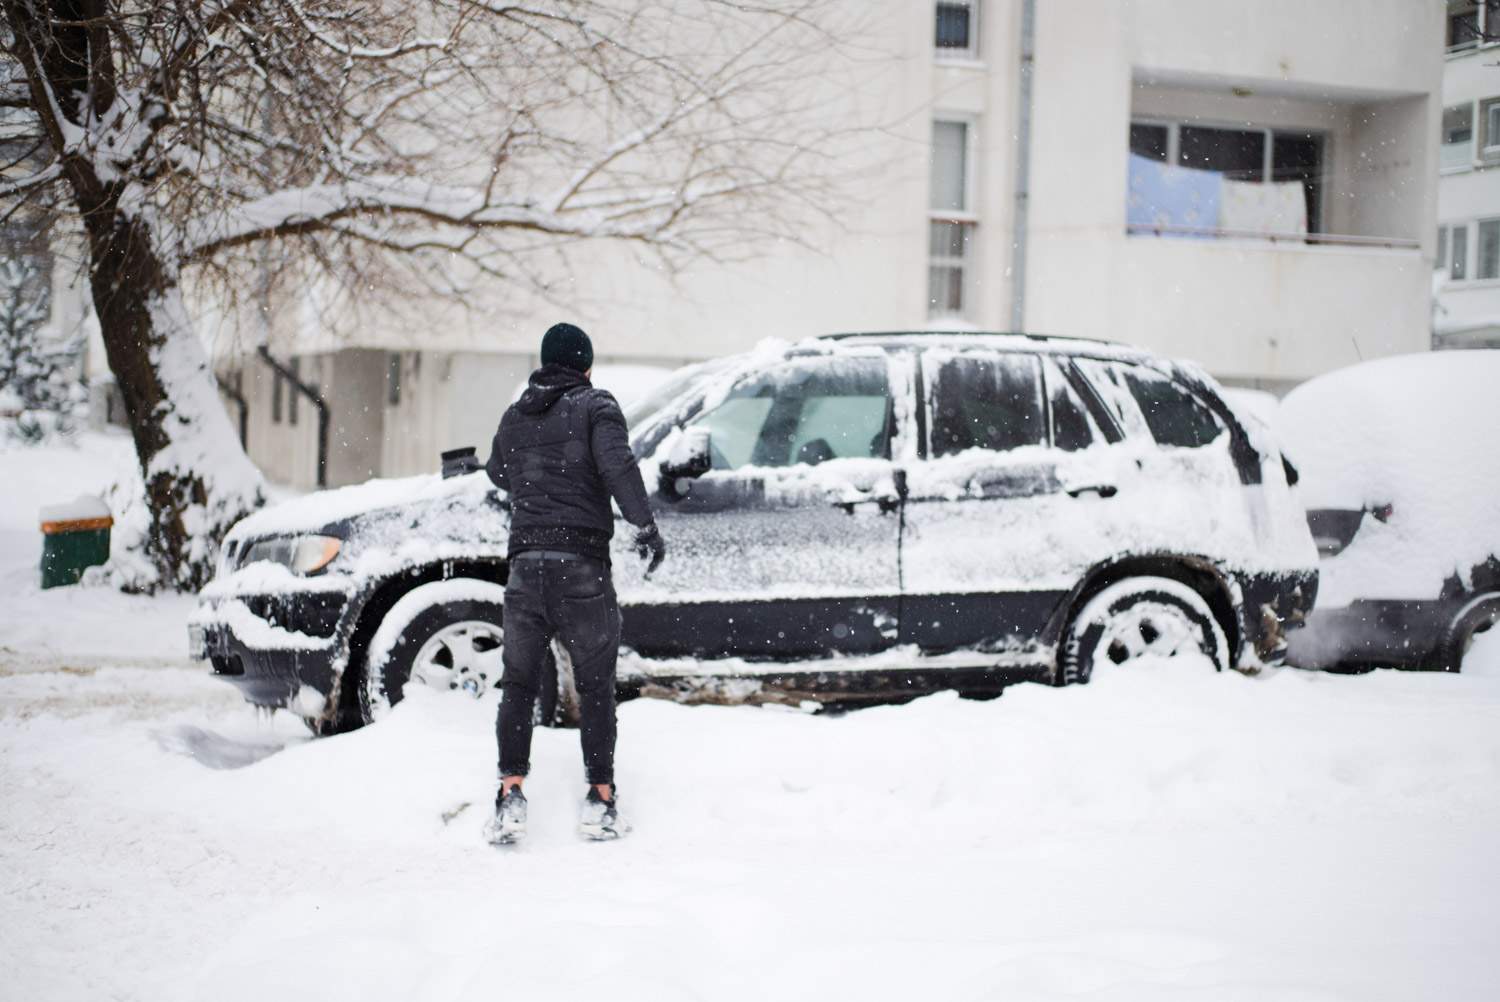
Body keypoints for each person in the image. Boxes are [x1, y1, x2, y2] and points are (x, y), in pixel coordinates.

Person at [481, 322, 666, 843]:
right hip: (580, 567)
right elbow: (618, 466)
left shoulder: (515, 414)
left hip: (524, 568)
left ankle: (510, 794)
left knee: (518, 684)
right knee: (595, 685)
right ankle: (601, 800)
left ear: (544, 363)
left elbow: (498, 471)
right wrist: (644, 525)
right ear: (585, 365)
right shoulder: (595, 405)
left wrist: (535, 468)